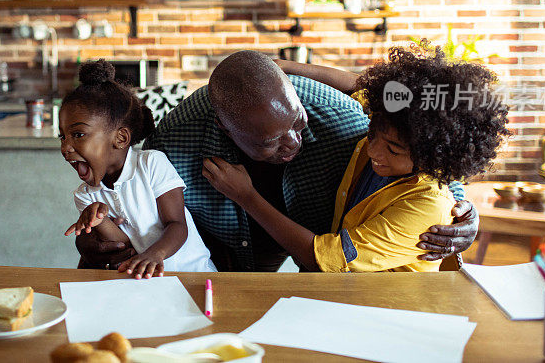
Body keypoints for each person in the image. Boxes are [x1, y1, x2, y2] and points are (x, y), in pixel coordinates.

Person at [77, 50, 481, 272]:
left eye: (298, 124)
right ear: (225, 127)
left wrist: (461, 208)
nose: (293, 143)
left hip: (337, 275)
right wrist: (97, 240)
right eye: (271, 141)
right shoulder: (177, 138)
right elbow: (126, 192)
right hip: (223, 268)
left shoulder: (344, 119)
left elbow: (428, 154)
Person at [203, 46, 509, 272]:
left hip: (382, 308)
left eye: (393, 150)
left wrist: (246, 196)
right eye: (373, 133)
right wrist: (278, 66)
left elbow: (324, 258)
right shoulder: (393, 123)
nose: (373, 151)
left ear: (431, 158)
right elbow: (360, 86)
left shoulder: (426, 206)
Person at [60, 60, 215, 278]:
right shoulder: (85, 196)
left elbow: (177, 225)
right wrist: (99, 220)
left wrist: (154, 254)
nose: (65, 147)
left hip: (195, 275)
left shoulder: (151, 164)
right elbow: (124, 246)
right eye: (62, 136)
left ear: (121, 138)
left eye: (77, 135)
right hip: (148, 282)